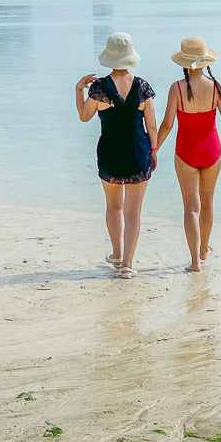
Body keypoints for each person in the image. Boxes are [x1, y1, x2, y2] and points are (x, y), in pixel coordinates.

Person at [157, 37, 221, 272]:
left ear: (184, 63)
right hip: (212, 150)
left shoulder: (176, 88)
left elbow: (167, 124)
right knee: (207, 203)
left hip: (186, 151)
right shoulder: (216, 87)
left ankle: (195, 262)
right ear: (205, 61)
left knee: (191, 207)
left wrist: (153, 149)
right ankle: (204, 249)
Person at [76, 32, 157, 278]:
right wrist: (153, 151)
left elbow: (84, 116)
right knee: (133, 212)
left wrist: (79, 89)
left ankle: (118, 253)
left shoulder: (99, 87)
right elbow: (151, 126)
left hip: (110, 150)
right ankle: (128, 265)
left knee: (114, 207)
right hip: (137, 150)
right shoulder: (143, 86)